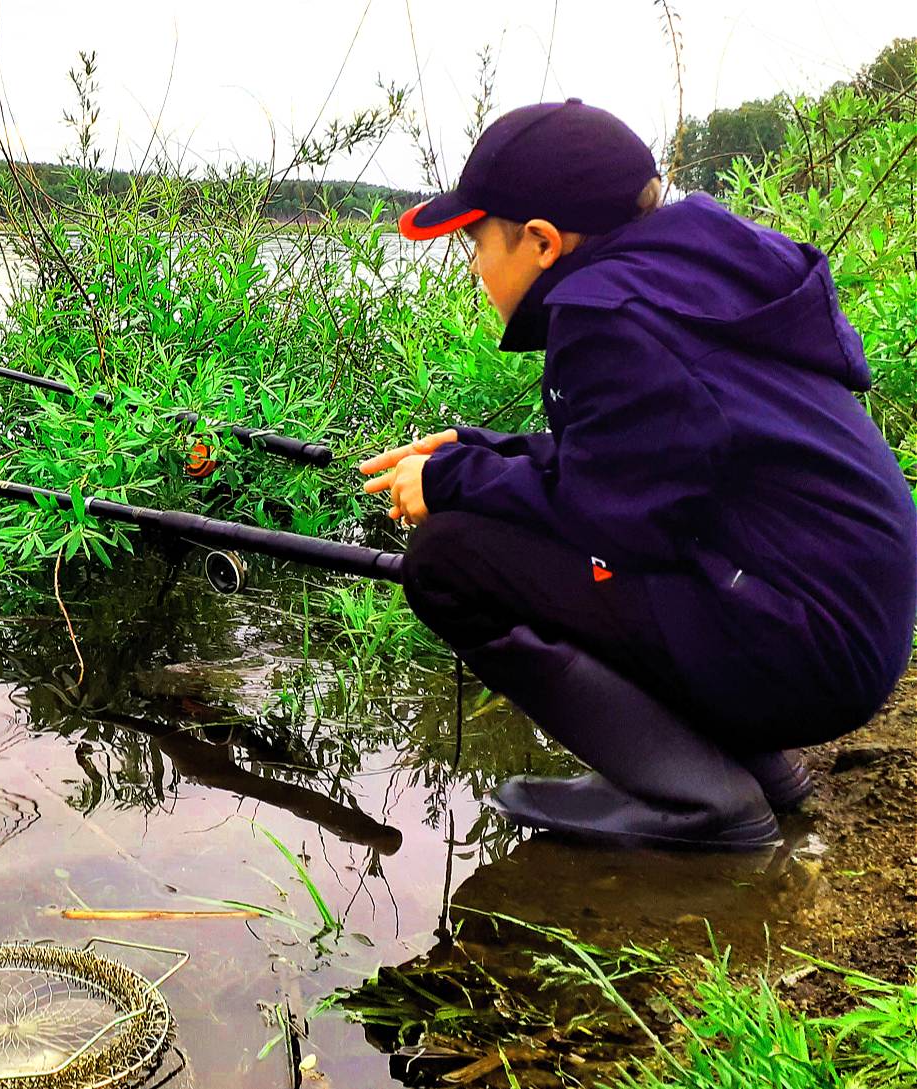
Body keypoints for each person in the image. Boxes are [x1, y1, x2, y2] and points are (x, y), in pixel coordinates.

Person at [359, 98, 917, 849]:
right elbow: (647, 462)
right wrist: (476, 448)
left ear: (541, 242)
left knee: (447, 559)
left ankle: (701, 800)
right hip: (837, 625)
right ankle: (753, 767)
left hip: (810, 649)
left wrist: (455, 482)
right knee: (560, 541)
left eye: (475, 240)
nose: (470, 262)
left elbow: (607, 516)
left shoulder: (607, 316)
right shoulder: (680, 279)